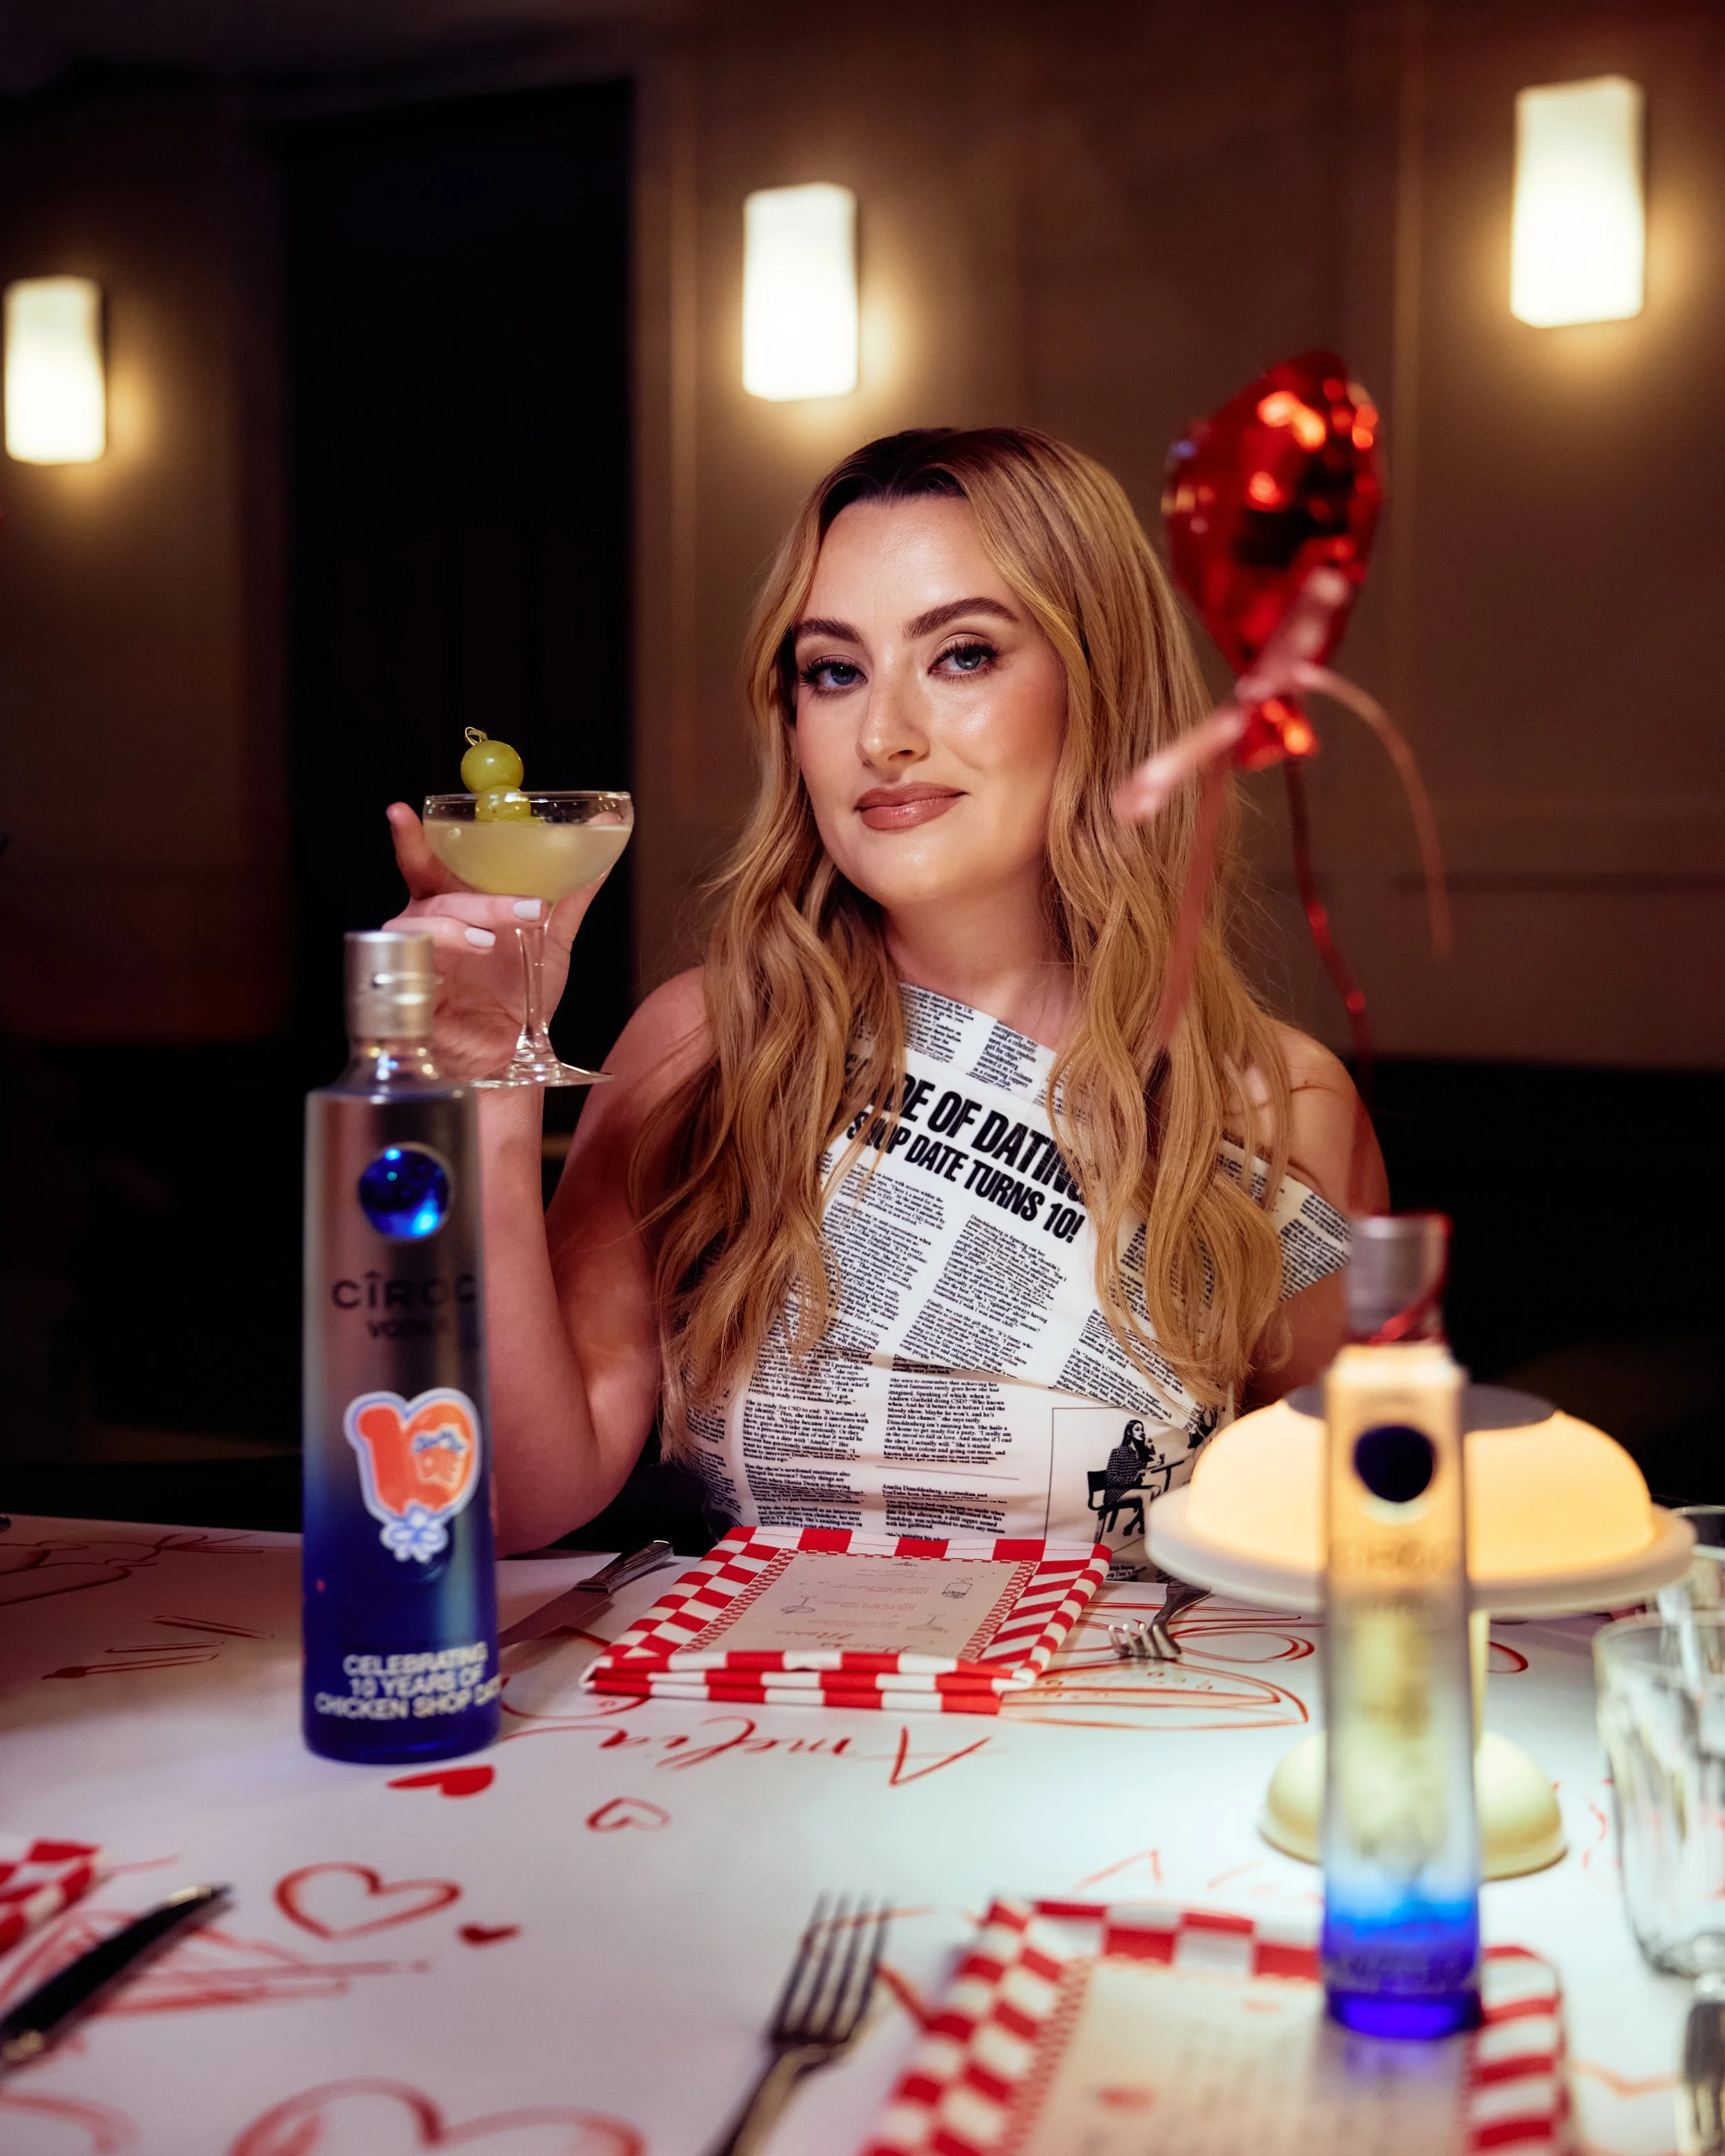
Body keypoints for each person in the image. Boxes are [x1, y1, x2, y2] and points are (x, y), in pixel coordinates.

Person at [384, 426, 1387, 1558]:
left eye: (962, 655)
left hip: (1107, 1723)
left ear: (1098, 686)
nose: (882, 735)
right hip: (749, 1724)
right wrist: (485, 1086)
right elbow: (515, 1501)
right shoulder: (700, 1046)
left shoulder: (1275, 1103)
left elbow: (1351, 1541)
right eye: (834, 670)